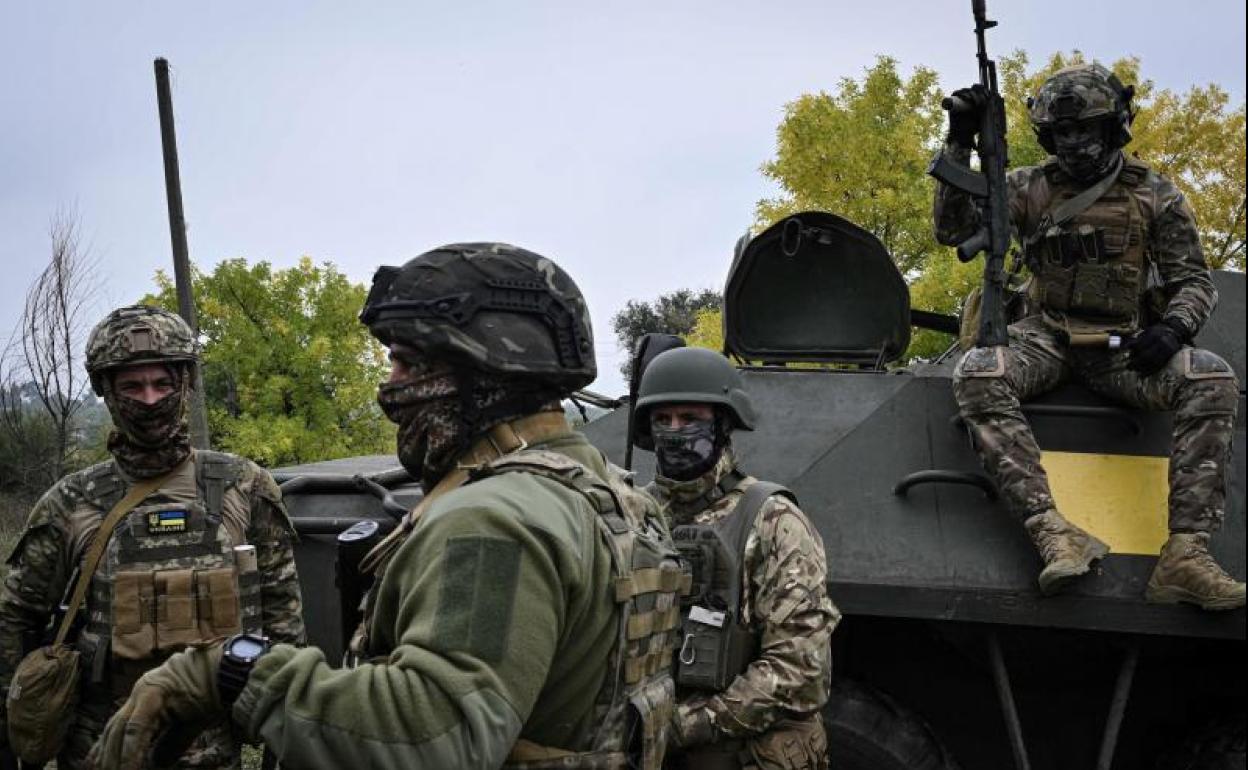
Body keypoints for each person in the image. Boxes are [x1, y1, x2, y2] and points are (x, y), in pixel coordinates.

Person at [86, 243, 684, 770]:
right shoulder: (615, 492)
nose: (390, 386)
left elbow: (430, 734)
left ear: (482, 369)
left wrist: (229, 670)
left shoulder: (494, 517)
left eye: (407, 362)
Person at [934, 63, 1244, 608]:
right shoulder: (1027, 188)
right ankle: (1053, 532)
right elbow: (951, 229)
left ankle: (1186, 557)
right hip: (1045, 339)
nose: (1075, 144)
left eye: (1087, 130)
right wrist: (960, 144)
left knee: (1212, 378)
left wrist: (1174, 328)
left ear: (1114, 127)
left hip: (1122, 348)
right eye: (1062, 134)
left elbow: (1192, 279)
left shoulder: (1155, 196)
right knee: (978, 373)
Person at [0, 305, 304, 770]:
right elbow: (15, 623)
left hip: (212, 749)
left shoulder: (245, 486)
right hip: (99, 749)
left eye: (162, 384)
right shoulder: (70, 502)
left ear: (186, 383)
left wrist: (289, 734)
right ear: (106, 390)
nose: (149, 400)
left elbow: (282, 617)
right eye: (132, 386)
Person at [633, 346, 839, 770]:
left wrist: (682, 727)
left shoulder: (772, 519)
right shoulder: (635, 515)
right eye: (663, 420)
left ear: (723, 424)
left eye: (690, 419)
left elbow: (800, 668)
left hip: (741, 751)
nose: (675, 431)